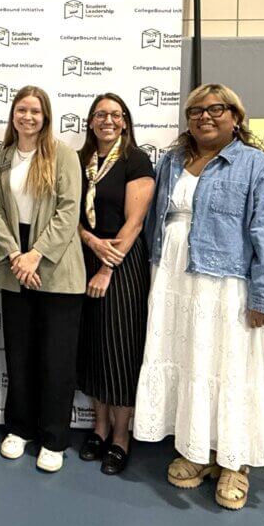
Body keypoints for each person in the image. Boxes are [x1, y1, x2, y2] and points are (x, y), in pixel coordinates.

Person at [133, 84, 264, 510]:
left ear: (236, 117)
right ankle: (197, 450)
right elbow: (157, 219)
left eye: (216, 109)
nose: (205, 117)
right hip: (174, 280)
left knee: (231, 366)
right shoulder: (172, 162)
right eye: (196, 111)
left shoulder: (258, 166)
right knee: (192, 363)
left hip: (228, 285)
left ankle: (235, 463)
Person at [0, 85, 85, 473]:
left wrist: (35, 255)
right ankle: (19, 428)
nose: (27, 117)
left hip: (55, 267)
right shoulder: (5, 157)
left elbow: (68, 210)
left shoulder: (62, 155)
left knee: (56, 359)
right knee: (20, 353)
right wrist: (15, 255)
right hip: (16, 265)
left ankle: (54, 438)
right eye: (21, 110)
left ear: (46, 117)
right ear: (13, 115)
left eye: (35, 111)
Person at [75, 93, 155, 476]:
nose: (107, 120)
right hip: (86, 256)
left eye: (115, 114)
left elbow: (134, 222)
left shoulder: (135, 160)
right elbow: (68, 214)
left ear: (125, 122)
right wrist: (90, 243)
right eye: (100, 114)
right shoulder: (78, 162)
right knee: (93, 346)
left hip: (121, 263)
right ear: (90, 122)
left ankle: (121, 437)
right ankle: (99, 427)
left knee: (119, 349)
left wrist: (107, 267)